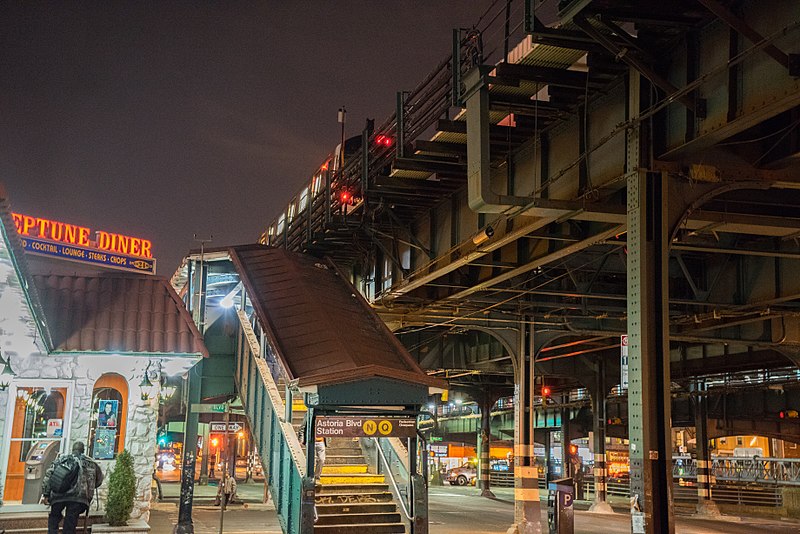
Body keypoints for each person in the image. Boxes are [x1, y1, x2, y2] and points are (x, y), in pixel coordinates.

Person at [42, 441, 104, 534]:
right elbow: (99, 480)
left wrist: (46, 494)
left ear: (72, 450)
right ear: (83, 450)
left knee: (54, 518)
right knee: (70, 522)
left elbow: (48, 476)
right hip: (78, 497)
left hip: (58, 494)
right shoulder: (92, 463)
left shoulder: (61, 460)